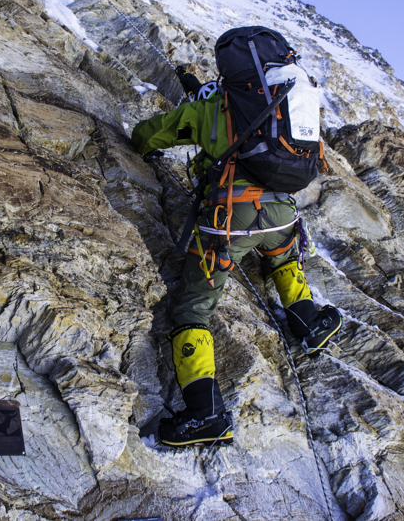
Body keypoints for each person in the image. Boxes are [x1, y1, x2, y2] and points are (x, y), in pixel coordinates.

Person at [131, 28, 342, 448]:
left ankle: (205, 413)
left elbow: (151, 134)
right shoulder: (287, 96)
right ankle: (308, 322)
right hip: (283, 213)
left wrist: (148, 140)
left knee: (192, 308)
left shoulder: (218, 105)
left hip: (233, 218)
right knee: (281, 259)